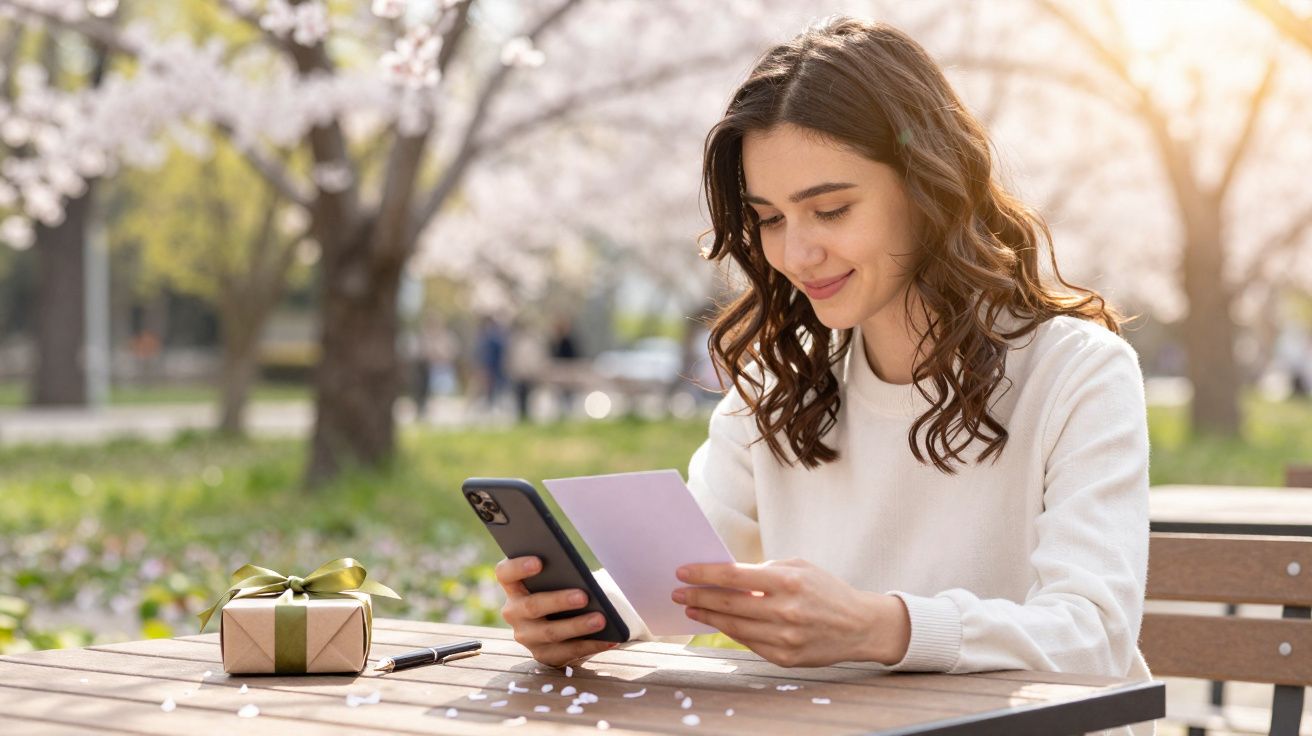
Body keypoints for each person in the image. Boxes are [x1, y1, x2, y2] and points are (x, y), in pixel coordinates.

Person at [493, 17, 1152, 731]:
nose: (797, 252)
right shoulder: (780, 386)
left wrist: (883, 628)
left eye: (831, 209)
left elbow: (1094, 635)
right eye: (769, 218)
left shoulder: (1077, 373)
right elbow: (684, 573)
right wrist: (586, 612)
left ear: (928, 185)